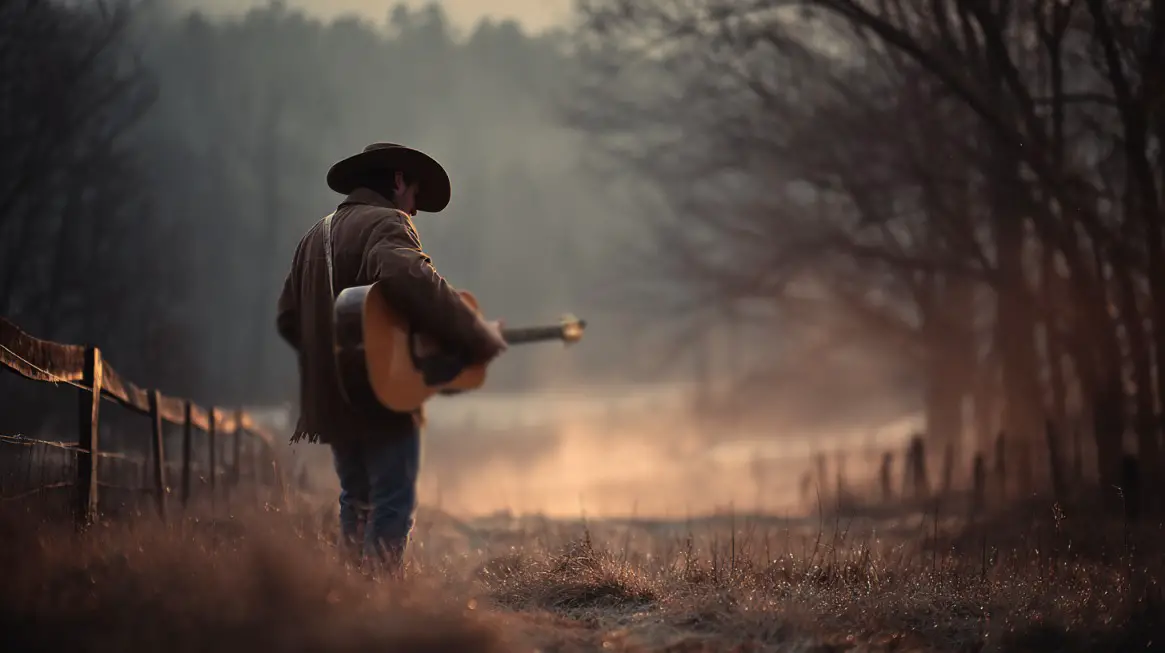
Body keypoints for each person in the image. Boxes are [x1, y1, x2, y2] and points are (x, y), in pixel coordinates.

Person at [275, 142, 507, 575]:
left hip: (332, 401)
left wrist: (344, 352)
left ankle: (347, 601)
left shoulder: (312, 236)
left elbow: (289, 318)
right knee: (392, 500)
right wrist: (476, 334)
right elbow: (408, 277)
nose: (414, 211)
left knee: (357, 500)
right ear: (398, 180)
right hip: (380, 397)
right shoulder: (387, 222)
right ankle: (379, 605)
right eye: (416, 195)